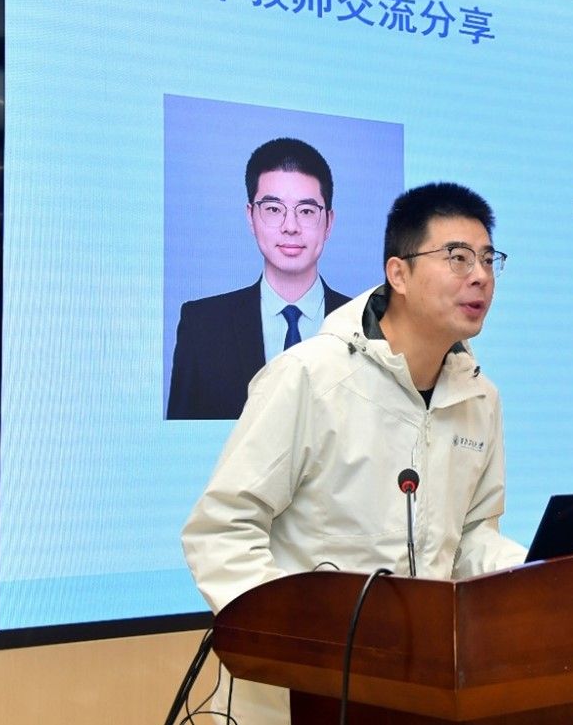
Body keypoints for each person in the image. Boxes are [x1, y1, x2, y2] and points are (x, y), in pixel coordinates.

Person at [182, 182, 527, 725]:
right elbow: (221, 529)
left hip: (415, 687)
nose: (480, 275)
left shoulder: (480, 398)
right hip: (300, 693)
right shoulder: (310, 376)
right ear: (399, 273)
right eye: (458, 257)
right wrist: (296, 635)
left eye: (488, 259)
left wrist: (537, 581)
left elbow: (471, 538)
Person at [167, 138, 350, 420]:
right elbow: (181, 438)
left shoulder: (369, 326)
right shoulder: (202, 325)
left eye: (306, 211)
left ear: (329, 222)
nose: (290, 227)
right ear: (251, 217)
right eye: (274, 209)